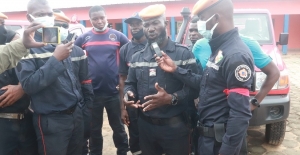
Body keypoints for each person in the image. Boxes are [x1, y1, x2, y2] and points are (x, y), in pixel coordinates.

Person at [156, 0, 255, 154]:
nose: (199, 25)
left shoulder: (236, 55)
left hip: (220, 144)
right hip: (208, 139)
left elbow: (240, 114)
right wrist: (176, 69)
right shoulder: (220, 49)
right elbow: (206, 84)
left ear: (215, 18)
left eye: (202, 18)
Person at [15, 0, 94, 155]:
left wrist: (85, 112)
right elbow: (29, 85)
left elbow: (80, 82)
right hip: (51, 120)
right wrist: (55, 60)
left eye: (49, 14)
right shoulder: (26, 48)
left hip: (76, 115)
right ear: (29, 18)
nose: (47, 17)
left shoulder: (64, 43)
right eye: (40, 14)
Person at [123, 4, 198, 155]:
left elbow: (196, 87)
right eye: (146, 25)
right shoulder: (137, 57)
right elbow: (129, 83)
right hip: (146, 127)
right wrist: (128, 94)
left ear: (165, 24)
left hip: (176, 128)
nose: (150, 28)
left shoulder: (183, 54)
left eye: (155, 23)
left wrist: (172, 98)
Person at [75, 5, 129, 155]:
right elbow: (71, 54)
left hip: (114, 92)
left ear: (106, 17)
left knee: (118, 127)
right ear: (90, 20)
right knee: (94, 130)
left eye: (102, 17)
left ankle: (123, 151)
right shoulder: (84, 38)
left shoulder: (117, 36)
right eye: (95, 19)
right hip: (93, 94)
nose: (99, 21)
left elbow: (130, 52)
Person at [54, 10, 94, 155]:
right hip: (54, 115)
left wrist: (88, 108)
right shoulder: (42, 51)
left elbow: (86, 81)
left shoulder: (77, 51)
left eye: (64, 26)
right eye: (57, 25)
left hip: (78, 110)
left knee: (81, 146)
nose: (61, 29)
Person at [0, 12, 38, 155]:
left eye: (2, 24)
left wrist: (22, 88)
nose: (3, 30)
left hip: (25, 119)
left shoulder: (14, 42)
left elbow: (38, 74)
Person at [119, 12, 147, 155]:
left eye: (138, 24)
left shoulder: (153, 45)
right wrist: (123, 108)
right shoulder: (125, 49)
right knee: (135, 139)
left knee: (152, 138)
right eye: (132, 25)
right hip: (132, 102)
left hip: (150, 101)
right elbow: (122, 78)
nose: (134, 27)